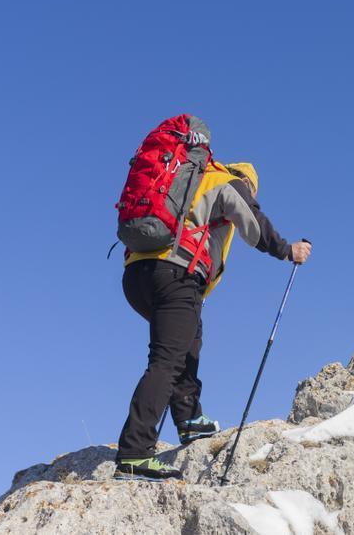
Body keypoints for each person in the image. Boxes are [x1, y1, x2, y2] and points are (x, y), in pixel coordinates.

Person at [114, 159, 312, 481]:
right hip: (175, 274)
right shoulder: (228, 183)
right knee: (166, 361)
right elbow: (253, 223)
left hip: (137, 274)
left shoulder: (191, 183)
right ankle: (134, 452)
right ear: (249, 184)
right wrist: (287, 250)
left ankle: (189, 419)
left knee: (188, 340)